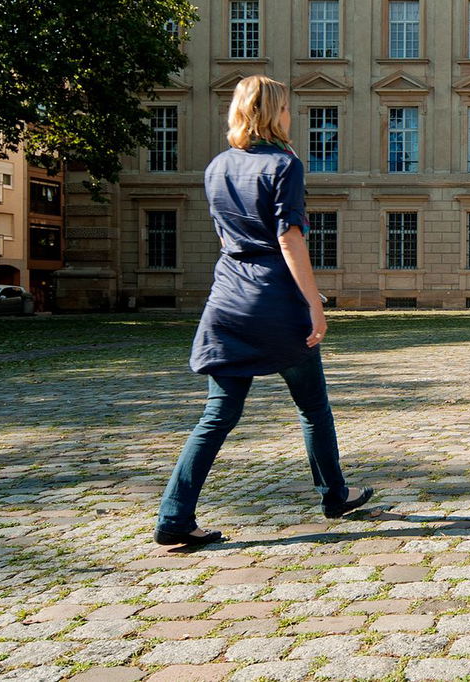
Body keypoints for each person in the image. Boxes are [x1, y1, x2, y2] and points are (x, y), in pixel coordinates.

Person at [155, 75, 372, 547]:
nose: (291, 116)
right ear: (275, 113)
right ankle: (334, 495)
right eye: (287, 108)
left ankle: (174, 516)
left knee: (218, 413)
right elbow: (288, 238)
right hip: (274, 303)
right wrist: (315, 304)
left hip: (227, 302)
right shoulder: (285, 164)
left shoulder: (215, 167)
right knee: (312, 406)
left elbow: (229, 238)